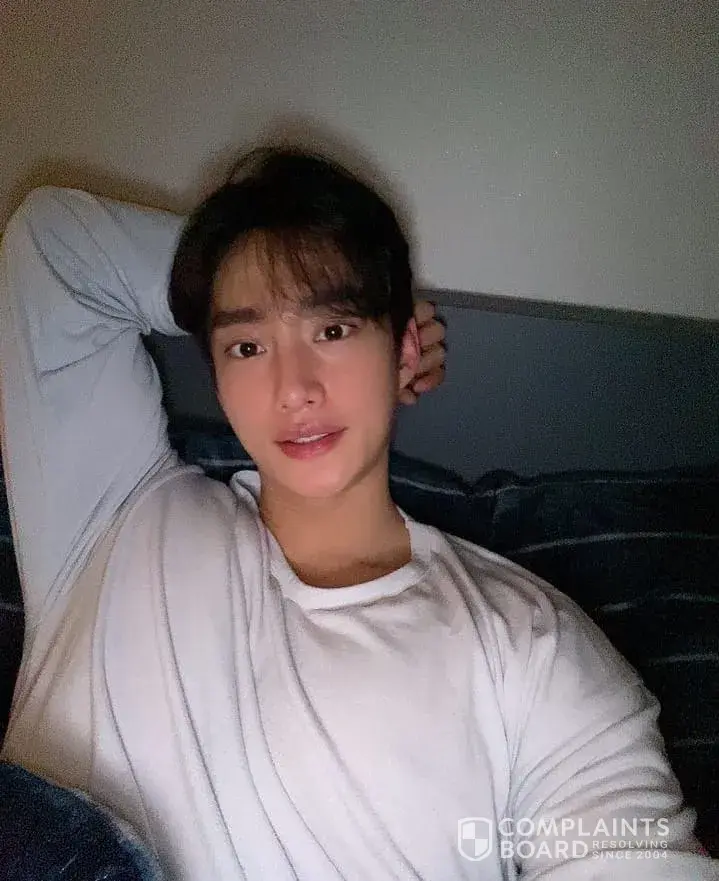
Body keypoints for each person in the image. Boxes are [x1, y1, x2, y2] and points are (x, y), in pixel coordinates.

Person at [0, 147, 715, 881]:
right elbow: (54, 250)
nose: (294, 388)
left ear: (404, 352)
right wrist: (248, 282)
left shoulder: (531, 645)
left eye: (333, 332)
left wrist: (321, 296)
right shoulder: (110, 512)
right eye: (247, 346)